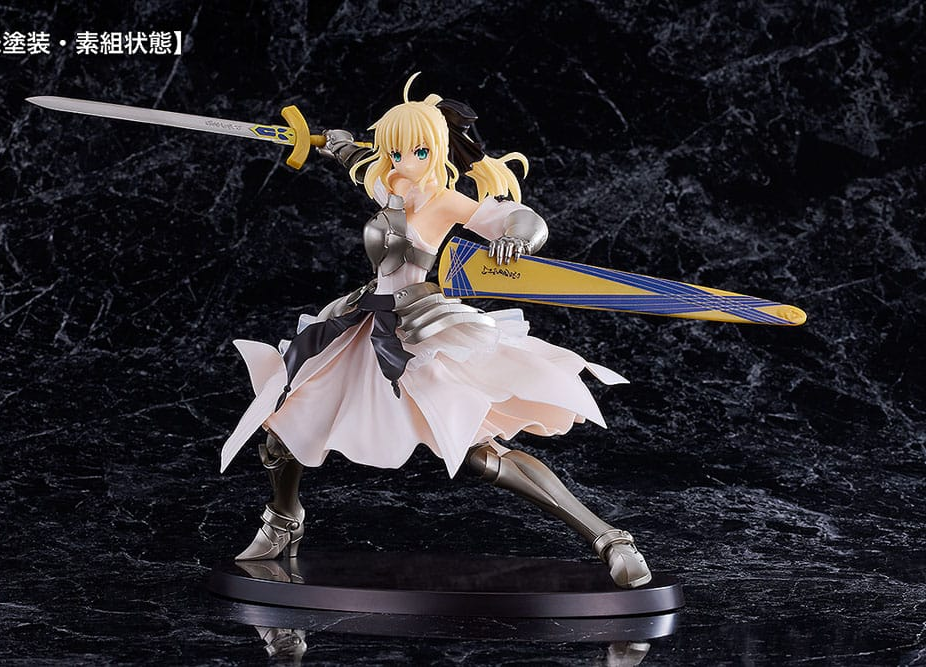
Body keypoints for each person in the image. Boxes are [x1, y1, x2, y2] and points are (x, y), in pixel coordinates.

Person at [220, 74, 652, 588]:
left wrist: (517, 238)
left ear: (438, 149)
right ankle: (283, 520)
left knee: (476, 451)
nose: (406, 163)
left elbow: (522, 218)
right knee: (285, 418)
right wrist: (334, 144)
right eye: (395, 152)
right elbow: (356, 163)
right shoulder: (389, 184)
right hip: (362, 322)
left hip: (418, 329)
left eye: (419, 152)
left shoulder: (446, 201)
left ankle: (607, 537)